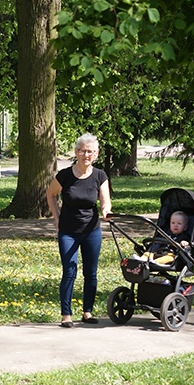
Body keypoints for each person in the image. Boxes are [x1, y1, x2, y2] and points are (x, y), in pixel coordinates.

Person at [46, 133, 112, 328]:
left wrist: (106, 211)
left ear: (96, 154)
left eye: (90, 151)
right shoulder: (65, 175)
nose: (86, 155)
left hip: (92, 231)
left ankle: (87, 312)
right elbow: (51, 195)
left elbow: (105, 200)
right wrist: (56, 218)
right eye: (82, 151)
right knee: (69, 271)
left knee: (91, 273)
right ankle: (66, 314)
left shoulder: (100, 175)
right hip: (68, 231)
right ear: (76, 152)